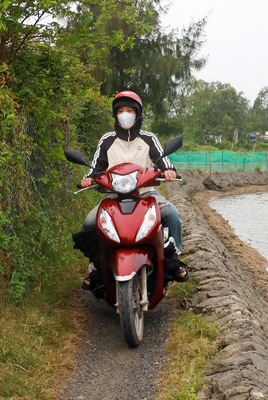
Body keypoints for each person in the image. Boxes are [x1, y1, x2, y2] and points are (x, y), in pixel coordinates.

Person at [77, 91, 187, 290]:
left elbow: (162, 159)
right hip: (114, 195)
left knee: (172, 214)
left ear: (137, 114)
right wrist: (88, 178)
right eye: (120, 110)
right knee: (89, 223)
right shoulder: (107, 140)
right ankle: (96, 267)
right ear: (115, 114)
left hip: (145, 193)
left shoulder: (148, 138)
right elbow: (96, 168)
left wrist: (169, 170)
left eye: (129, 110)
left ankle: (173, 258)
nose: (125, 114)